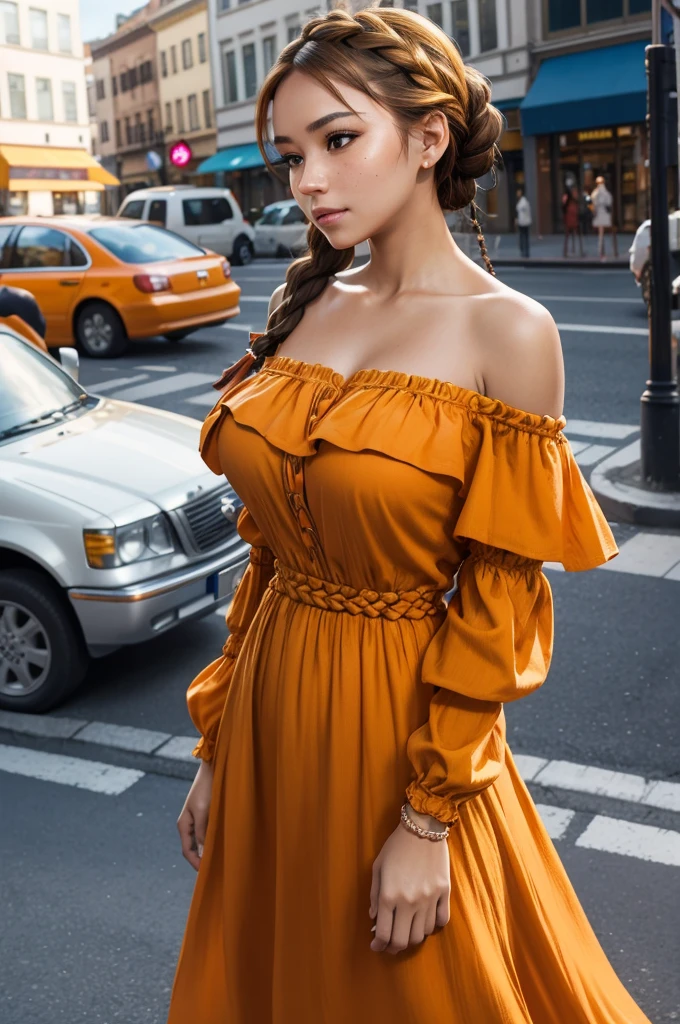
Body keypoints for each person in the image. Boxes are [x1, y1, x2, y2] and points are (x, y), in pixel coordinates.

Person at [167, 6, 652, 1024]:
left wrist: (426, 821)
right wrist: (216, 750)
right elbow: (264, 560)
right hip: (265, 723)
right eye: (290, 153)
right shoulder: (303, 306)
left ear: (427, 138)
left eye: (338, 140)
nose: (306, 180)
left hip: (400, 737)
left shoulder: (507, 333)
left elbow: (497, 603)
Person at [591, 174, 619, 260]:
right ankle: (610, 252)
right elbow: (609, 202)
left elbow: (593, 204)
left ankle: (601, 252)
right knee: (606, 234)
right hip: (605, 216)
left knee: (601, 234)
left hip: (600, 215)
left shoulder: (596, 193)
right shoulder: (606, 193)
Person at [561, 182, 584, 257]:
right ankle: (578, 251)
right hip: (572, 220)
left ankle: (567, 251)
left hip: (570, 220)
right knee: (574, 235)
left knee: (568, 236)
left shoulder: (569, 201)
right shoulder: (572, 203)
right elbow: (575, 211)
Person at [514, 186, 531, 257]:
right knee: (523, 237)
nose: (517, 194)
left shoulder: (523, 202)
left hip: (524, 222)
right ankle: (524, 252)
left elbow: (524, 212)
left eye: (519, 193)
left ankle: (525, 252)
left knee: (524, 238)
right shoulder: (521, 201)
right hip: (523, 222)